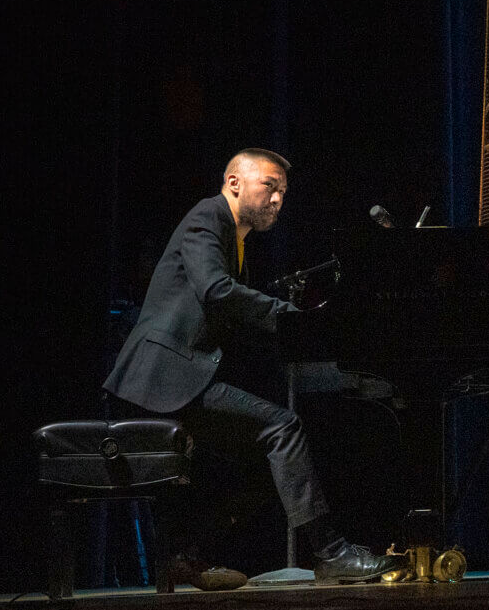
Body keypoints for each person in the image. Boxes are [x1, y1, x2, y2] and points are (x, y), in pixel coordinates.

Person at [104, 149, 394, 587]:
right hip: (160, 376)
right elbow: (217, 291)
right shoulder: (209, 216)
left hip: (177, 375)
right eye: (269, 186)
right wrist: (288, 316)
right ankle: (332, 554)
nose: (277, 199)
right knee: (283, 427)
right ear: (234, 182)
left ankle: (185, 554)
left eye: (283, 192)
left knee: (267, 465)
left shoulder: (233, 237)